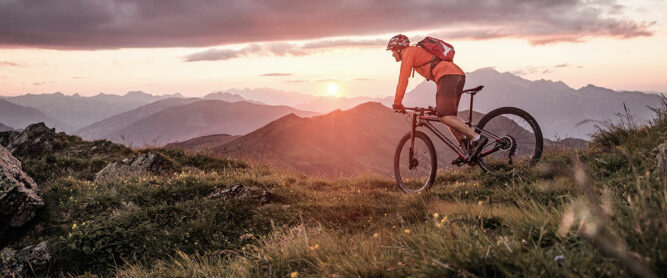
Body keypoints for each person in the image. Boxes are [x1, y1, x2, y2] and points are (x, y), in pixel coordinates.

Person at [388, 34, 488, 163]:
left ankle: (476, 138)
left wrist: (397, 102)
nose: (392, 55)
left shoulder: (409, 52)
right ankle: (467, 152)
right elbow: (437, 73)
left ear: (398, 48)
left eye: (392, 51)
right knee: (449, 118)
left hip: (448, 76)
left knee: (445, 116)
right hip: (456, 75)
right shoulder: (417, 52)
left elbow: (403, 78)